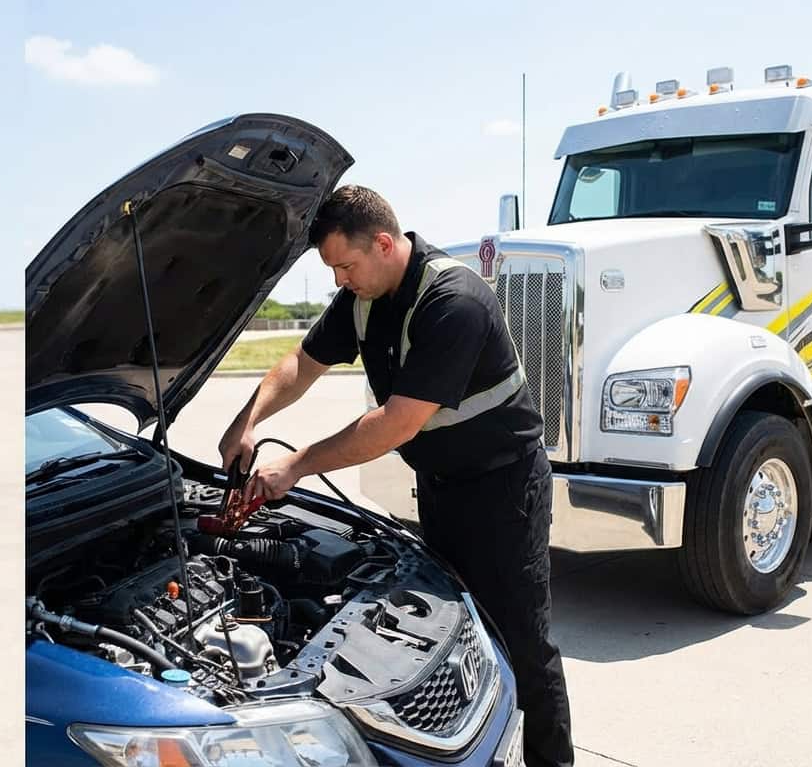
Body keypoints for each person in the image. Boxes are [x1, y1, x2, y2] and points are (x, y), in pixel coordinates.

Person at [218, 185, 574, 766]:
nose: (339, 280)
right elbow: (302, 363)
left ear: (384, 243)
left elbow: (396, 424)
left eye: (345, 266)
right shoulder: (366, 294)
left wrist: (298, 462)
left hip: (504, 491)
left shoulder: (453, 299)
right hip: (441, 487)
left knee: (524, 647)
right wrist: (248, 420)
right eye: (332, 268)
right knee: (460, 638)